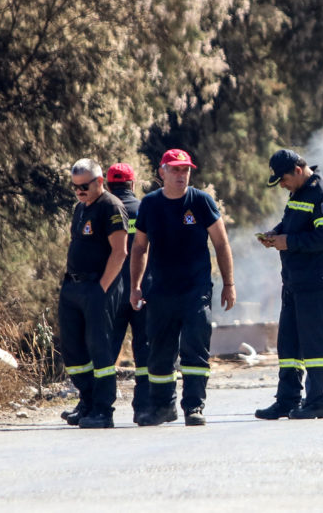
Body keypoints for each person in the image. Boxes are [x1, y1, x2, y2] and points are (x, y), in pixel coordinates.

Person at [129, 149, 236, 427]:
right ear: (162, 171)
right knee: (160, 352)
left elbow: (221, 243)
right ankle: (163, 407)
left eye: (185, 170)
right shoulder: (150, 205)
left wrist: (229, 284)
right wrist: (135, 286)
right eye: (175, 170)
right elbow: (140, 246)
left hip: (195, 290)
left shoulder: (201, 201)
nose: (181, 175)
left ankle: (194, 406)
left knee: (194, 348)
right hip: (160, 290)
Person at [254, 149, 323, 420]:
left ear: (298, 170)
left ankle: (319, 402)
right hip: (293, 281)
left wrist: (288, 242)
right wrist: (277, 233)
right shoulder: (299, 192)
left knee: (315, 346)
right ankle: (287, 399)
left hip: (315, 282)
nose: (282, 185)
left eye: (284, 179)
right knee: (288, 345)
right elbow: (293, 222)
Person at [59, 158, 128, 429]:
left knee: (99, 350)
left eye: (85, 186)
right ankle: (86, 402)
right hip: (73, 288)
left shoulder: (110, 206)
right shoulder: (79, 208)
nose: (79, 191)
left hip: (98, 288)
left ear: (100, 181)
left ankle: (102, 409)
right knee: (73, 350)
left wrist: (102, 288)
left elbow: (120, 251)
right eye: (75, 187)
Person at [105, 163, 151, 424]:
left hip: (111, 292)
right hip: (143, 291)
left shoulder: (105, 210)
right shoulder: (146, 209)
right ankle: (143, 408)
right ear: (133, 185)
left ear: (109, 186)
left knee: (106, 352)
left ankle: (100, 406)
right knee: (144, 351)